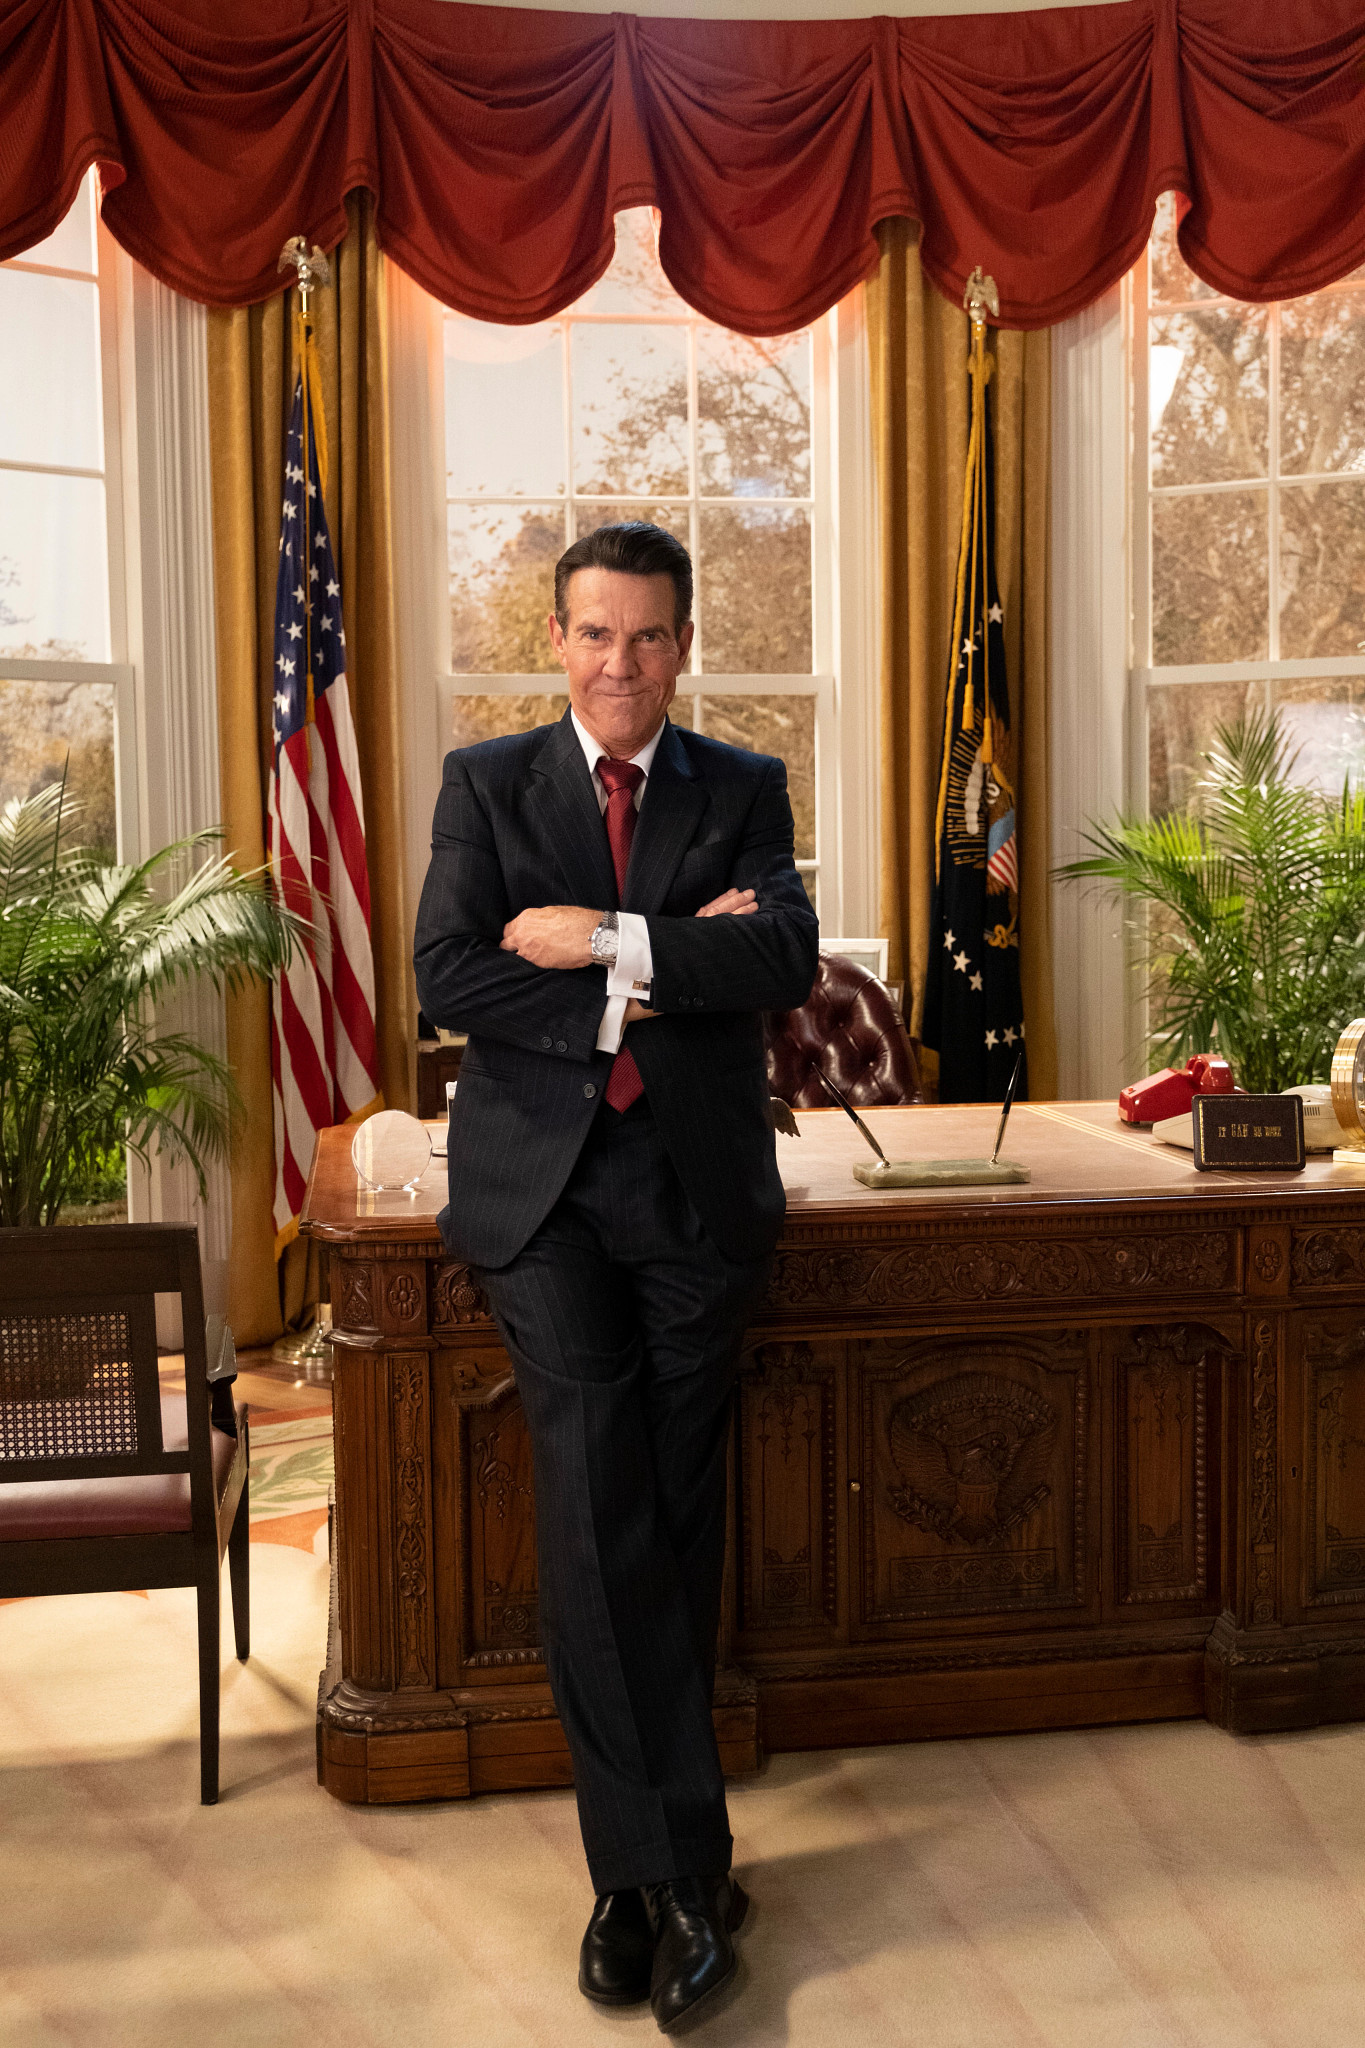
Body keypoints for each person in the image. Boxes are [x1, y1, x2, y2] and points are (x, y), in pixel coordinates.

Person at [413, 521, 818, 2032]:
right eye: (595, 633)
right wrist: (659, 966)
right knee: (593, 1510)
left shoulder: (744, 787)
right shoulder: (485, 783)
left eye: (647, 636)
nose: (620, 663)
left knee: (671, 1514)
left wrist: (598, 937)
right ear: (557, 636)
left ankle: (628, 1880)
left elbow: (779, 959)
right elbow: (446, 973)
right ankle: (674, 1878)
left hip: (698, 1195)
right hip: (548, 1201)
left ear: (681, 642)